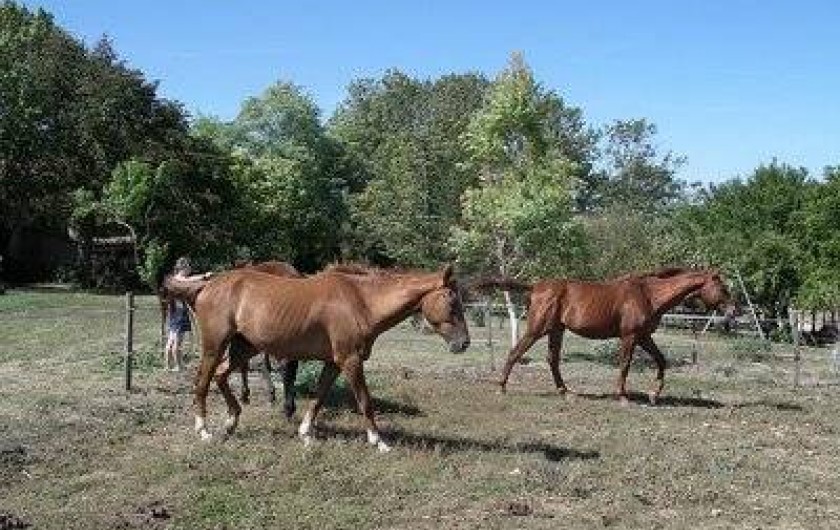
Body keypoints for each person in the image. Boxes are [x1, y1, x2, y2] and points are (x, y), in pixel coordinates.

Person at [164, 257, 211, 371]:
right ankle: (179, 366)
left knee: (171, 340)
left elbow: (190, 279)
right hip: (180, 313)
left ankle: (168, 365)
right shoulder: (180, 280)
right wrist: (204, 276)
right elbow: (190, 280)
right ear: (183, 268)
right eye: (188, 267)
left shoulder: (172, 279)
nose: (190, 269)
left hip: (173, 312)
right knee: (178, 341)